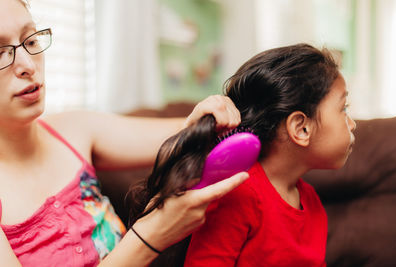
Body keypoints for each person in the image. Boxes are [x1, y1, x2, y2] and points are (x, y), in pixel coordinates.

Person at [0, 0, 250, 266]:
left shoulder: (75, 130)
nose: (28, 65)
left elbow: (190, 130)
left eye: (30, 41)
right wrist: (154, 231)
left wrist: (213, 111)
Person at [130, 44, 356, 266]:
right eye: (344, 109)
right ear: (301, 128)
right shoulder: (238, 193)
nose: (352, 124)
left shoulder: (312, 202)